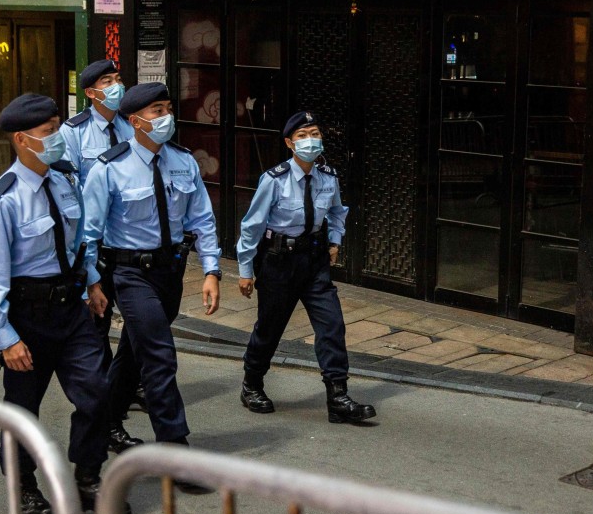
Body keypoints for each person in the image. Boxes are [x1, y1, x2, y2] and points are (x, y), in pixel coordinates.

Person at [0, 93, 126, 514]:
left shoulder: (64, 178)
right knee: (22, 412)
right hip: (27, 318)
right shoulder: (3, 200)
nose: (58, 137)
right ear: (22, 139)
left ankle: (88, 478)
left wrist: (92, 282)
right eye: (49, 132)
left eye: (58, 127)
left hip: (72, 311)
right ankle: (24, 487)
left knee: (96, 393)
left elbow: (78, 242)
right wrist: (5, 338)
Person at [81, 82, 221, 492]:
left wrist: (211, 271)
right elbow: (88, 234)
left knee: (135, 353)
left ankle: (105, 420)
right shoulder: (109, 167)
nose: (165, 117)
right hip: (130, 274)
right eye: (156, 111)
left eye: (167, 108)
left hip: (170, 272)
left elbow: (202, 220)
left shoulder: (182, 161)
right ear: (134, 120)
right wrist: (91, 282)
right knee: (159, 355)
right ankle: (174, 451)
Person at [236, 111, 376, 425]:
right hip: (278, 263)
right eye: (302, 135)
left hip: (313, 261)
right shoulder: (274, 180)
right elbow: (251, 227)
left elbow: (339, 212)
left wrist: (335, 241)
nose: (310, 140)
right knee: (269, 329)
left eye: (314, 133)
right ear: (289, 143)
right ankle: (251, 384)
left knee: (332, 325)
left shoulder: (328, 176)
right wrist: (246, 269)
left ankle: (338, 396)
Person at [60, 59, 146, 455]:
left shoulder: (132, 126)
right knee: (97, 328)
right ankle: (105, 415)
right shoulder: (73, 133)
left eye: (118, 78)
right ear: (91, 92)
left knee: (139, 321)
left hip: (128, 246)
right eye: (107, 82)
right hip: (94, 247)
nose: (116, 86)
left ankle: (125, 385)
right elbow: (70, 192)